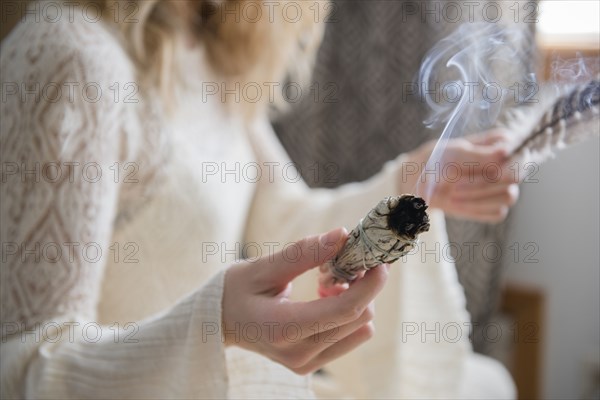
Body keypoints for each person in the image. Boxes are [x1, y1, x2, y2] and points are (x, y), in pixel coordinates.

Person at [0, 1, 518, 398]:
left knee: (486, 382)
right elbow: (21, 370)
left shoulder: (208, 48)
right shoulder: (72, 58)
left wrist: (408, 184)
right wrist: (216, 325)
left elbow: (285, 221)